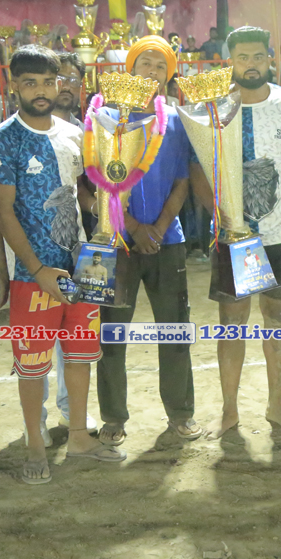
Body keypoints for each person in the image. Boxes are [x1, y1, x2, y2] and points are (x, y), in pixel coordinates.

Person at [187, 27, 281, 438]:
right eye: (243, 57)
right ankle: (229, 411)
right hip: (232, 237)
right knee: (231, 321)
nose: (251, 65)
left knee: (278, 316)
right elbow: (198, 170)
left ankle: (275, 406)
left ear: (270, 60)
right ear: (230, 61)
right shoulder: (212, 108)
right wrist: (221, 216)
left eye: (258, 56)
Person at [0, 44, 112, 484]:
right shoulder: (1, 140)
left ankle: (78, 437)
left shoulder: (75, 134)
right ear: (14, 86)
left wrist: (110, 205)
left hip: (83, 267)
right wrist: (37, 269)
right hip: (31, 275)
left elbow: (83, 194)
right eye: (30, 83)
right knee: (33, 365)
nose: (40, 91)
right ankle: (35, 446)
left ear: (59, 84)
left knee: (79, 356)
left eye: (48, 82)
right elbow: (2, 212)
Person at [93, 36, 203, 444]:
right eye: (146, 64)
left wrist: (157, 228)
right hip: (116, 242)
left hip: (166, 241)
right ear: (131, 70)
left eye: (160, 66)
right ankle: (113, 418)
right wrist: (133, 227)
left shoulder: (176, 122)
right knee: (112, 334)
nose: (152, 72)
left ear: (168, 75)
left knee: (174, 331)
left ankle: (180, 413)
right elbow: (100, 180)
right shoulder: (105, 118)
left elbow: (181, 181)